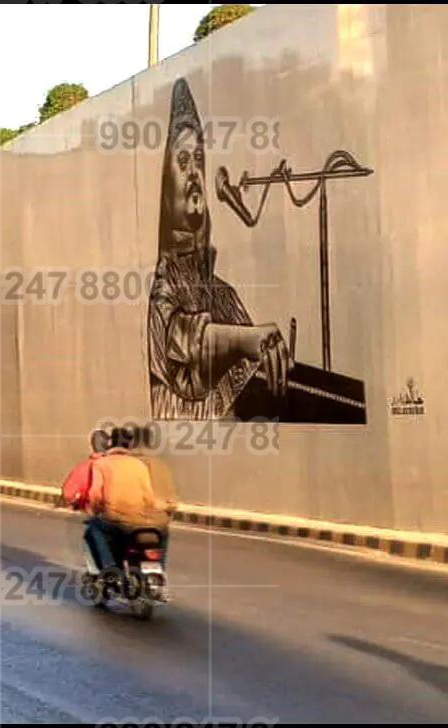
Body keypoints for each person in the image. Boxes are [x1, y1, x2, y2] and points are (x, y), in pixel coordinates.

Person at [147, 78, 292, 420]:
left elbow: (250, 377)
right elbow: (180, 343)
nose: (194, 173)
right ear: (166, 190)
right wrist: (241, 340)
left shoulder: (223, 293)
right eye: (183, 162)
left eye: (198, 159)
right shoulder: (163, 285)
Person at [67, 427, 177, 575]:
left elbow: (95, 494)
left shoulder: (100, 464)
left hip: (115, 519)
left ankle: (110, 567)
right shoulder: (140, 465)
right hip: (141, 519)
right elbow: (148, 497)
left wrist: (95, 510)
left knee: (95, 528)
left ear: (110, 443)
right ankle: (159, 574)